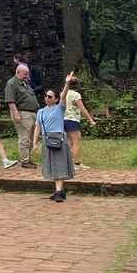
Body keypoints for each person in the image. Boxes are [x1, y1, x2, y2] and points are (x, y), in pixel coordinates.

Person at [34, 72, 76, 202]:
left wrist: (67, 83)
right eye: (46, 96)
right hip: (47, 139)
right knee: (52, 165)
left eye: (50, 96)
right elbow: (38, 127)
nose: (47, 98)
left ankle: (59, 192)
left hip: (58, 139)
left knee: (59, 165)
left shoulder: (59, 108)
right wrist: (35, 142)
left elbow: (64, 95)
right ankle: (60, 190)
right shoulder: (40, 111)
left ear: (56, 99)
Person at [3, 63, 40, 168]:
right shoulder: (12, 83)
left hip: (32, 113)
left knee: (31, 138)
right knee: (24, 137)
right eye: (25, 74)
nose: (27, 76)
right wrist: (16, 114)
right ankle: (25, 161)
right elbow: (10, 101)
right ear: (18, 72)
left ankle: (28, 158)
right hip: (22, 113)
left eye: (27, 74)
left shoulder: (25, 83)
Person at [62, 76, 96, 168]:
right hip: (72, 120)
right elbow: (82, 109)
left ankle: (69, 163)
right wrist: (90, 120)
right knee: (76, 142)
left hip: (64, 120)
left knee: (70, 142)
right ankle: (74, 164)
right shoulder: (76, 95)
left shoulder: (64, 93)